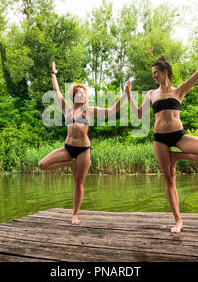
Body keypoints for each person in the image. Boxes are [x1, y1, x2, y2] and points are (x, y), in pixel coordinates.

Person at [126, 32, 198, 233]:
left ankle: (177, 156)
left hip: (179, 136)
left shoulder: (179, 90)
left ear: (165, 72)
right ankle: (178, 220)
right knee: (169, 179)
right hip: (159, 139)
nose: (153, 75)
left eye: (156, 72)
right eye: (152, 72)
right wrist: (128, 95)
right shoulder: (151, 94)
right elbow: (138, 113)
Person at [38, 61, 129, 225]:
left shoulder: (90, 110)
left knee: (78, 183)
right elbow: (57, 91)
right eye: (79, 93)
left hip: (83, 151)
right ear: (73, 96)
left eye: (84, 93)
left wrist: (125, 95)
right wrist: (53, 74)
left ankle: (74, 215)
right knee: (42, 165)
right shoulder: (66, 108)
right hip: (67, 148)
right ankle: (69, 164)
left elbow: (112, 111)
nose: (82, 95)